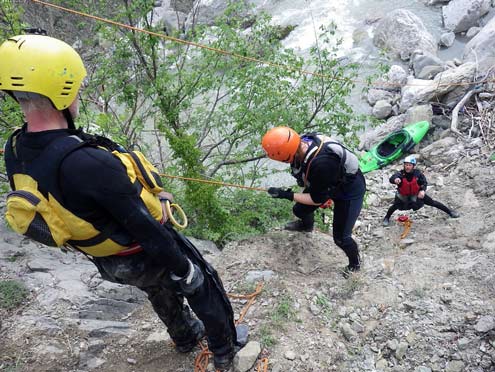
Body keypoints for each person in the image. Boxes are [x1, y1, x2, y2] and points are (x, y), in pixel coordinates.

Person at [0, 33, 245, 371]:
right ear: (62, 92)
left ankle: (186, 335)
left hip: (107, 260)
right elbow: (145, 227)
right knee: (201, 282)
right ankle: (225, 350)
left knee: (157, 290)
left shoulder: (14, 152)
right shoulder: (87, 163)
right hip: (141, 250)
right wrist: (184, 268)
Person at [261, 126, 366, 277]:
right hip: (328, 180)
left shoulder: (321, 164)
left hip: (349, 190)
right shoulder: (304, 141)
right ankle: (306, 227)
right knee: (299, 210)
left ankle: (355, 265)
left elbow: (316, 200)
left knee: (341, 238)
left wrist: (285, 194)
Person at [382, 155, 460, 226]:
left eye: (409, 165)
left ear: (413, 166)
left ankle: (450, 212)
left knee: (432, 202)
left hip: (416, 193)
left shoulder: (418, 174)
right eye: (406, 165)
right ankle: (386, 218)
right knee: (394, 206)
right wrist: (395, 179)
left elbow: (424, 182)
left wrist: (422, 190)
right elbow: (392, 178)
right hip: (403, 195)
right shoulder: (400, 174)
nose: (407, 167)